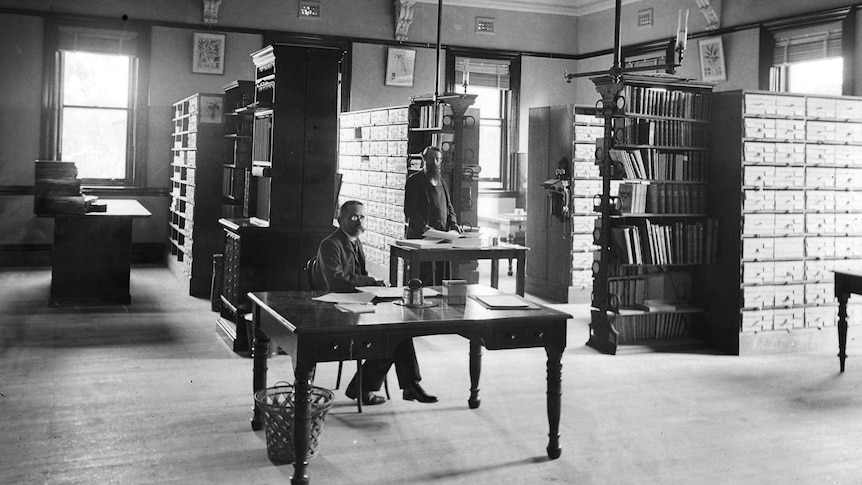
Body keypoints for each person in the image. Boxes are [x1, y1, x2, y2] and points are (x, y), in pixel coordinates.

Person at [316, 200, 437, 405]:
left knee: (397, 332)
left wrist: (378, 288)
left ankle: (401, 386)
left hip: (357, 304)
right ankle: (379, 387)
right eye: (353, 217)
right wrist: (371, 282)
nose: (359, 221)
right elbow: (336, 280)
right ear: (340, 220)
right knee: (391, 337)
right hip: (335, 309)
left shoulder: (356, 242)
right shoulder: (330, 244)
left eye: (362, 217)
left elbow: (358, 278)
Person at [403, 146, 463, 285]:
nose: (434, 162)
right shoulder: (414, 181)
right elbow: (410, 210)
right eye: (431, 158)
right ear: (424, 159)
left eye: (438, 159)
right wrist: (423, 227)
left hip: (442, 235)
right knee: (423, 275)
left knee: (443, 274)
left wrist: (453, 224)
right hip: (422, 235)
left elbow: (449, 207)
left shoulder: (442, 181)